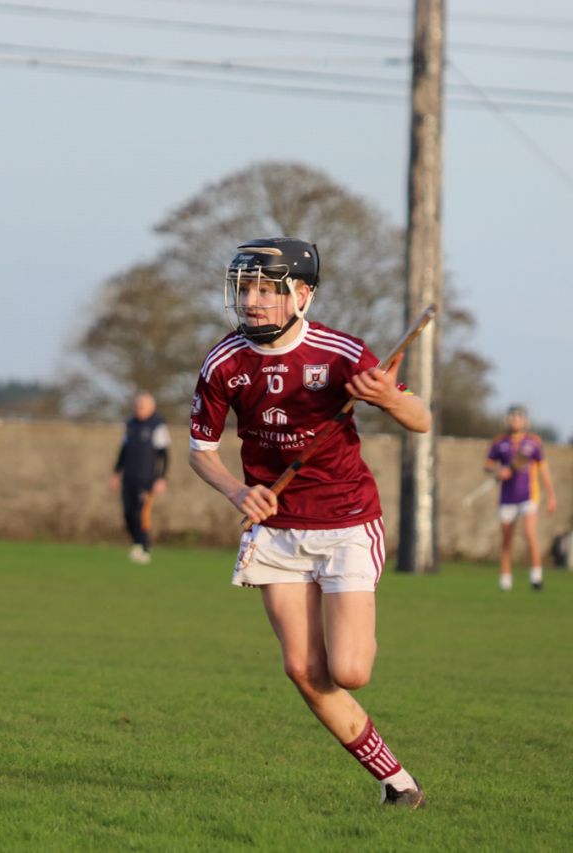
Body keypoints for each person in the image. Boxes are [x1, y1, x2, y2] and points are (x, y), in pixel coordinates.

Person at [188, 237, 430, 809]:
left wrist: (388, 400)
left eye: (266, 290)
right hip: (276, 530)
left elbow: (419, 419)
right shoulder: (224, 362)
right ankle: (397, 784)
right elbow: (201, 449)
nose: (251, 300)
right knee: (302, 666)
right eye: (244, 287)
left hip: (346, 520)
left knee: (349, 669)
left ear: (303, 294)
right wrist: (236, 491)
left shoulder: (342, 352)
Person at [485, 405, 557, 591]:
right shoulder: (500, 442)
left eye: (519, 417)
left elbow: (543, 469)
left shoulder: (533, 442)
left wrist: (551, 495)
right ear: (507, 420)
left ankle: (536, 577)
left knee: (529, 533)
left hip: (528, 495)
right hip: (507, 497)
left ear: (525, 420)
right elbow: (488, 464)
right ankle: (505, 579)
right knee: (506, 539)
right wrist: (498, 471)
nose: (515, 420)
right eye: (512, 417)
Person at [110, 391, 169, 564]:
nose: (139, 409)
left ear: (152, 407)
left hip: (147, 479)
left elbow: (164, 455)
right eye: (137, 406)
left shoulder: (158, 426)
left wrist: (161, 478)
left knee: (140, 512)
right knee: (127, 513)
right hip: (129, 477)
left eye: (143, 406)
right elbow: (123, 451)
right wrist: (115, 473)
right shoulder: (130, 424)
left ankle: (145, 546)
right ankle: (136, 543)